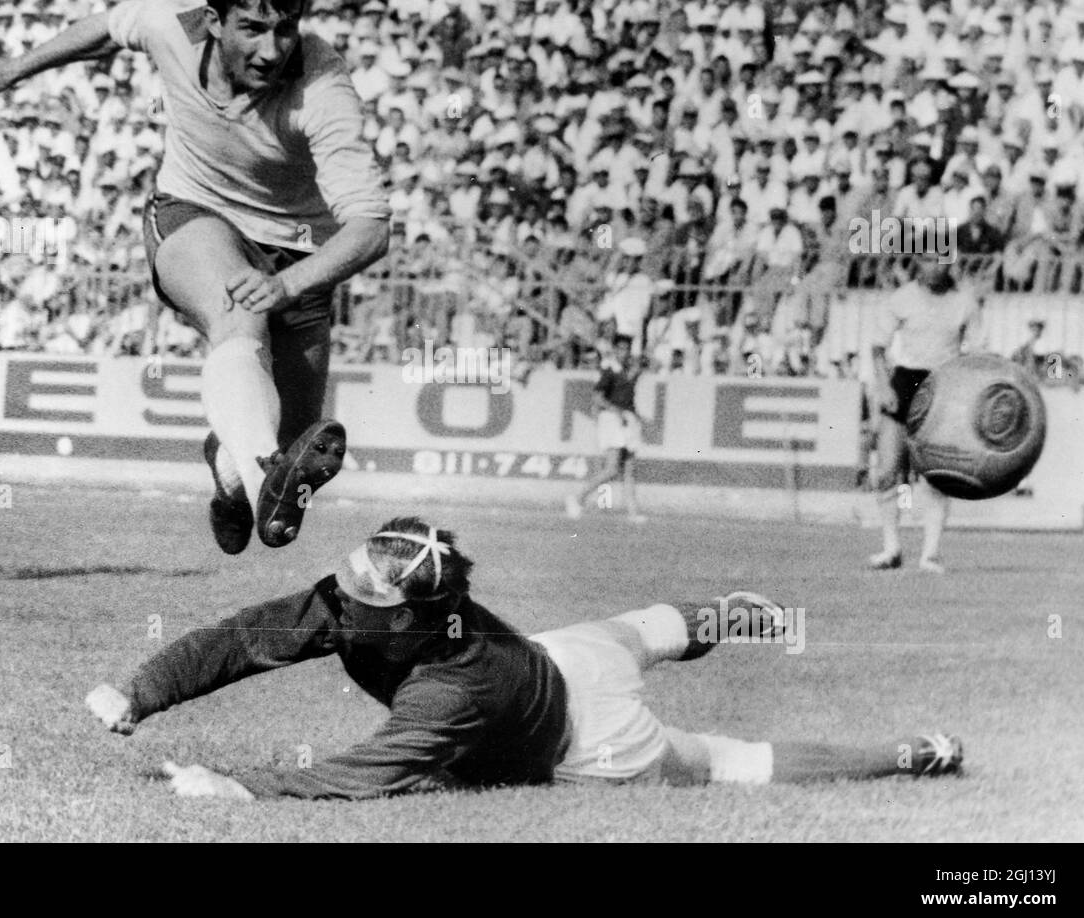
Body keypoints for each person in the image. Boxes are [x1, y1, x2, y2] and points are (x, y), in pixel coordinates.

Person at [0, 0, 392, 556]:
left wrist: (290, 282)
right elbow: (107, 28)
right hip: (195, 212)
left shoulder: (323, 88)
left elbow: (372, 227)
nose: (271, 50)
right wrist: (14, 67)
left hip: (297, 250)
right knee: (238, 316)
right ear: (212, 21)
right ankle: (258, 465)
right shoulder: (173, 22)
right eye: (251, 28)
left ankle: (233, 474)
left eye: (287, 28)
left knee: (288, 444)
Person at [85, 517, 964, 801]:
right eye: (351, 572)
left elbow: (364, 776)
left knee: (729, 761)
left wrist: (238, 784)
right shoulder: (365, 599)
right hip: (562, 652)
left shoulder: (450, 692)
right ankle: (732, 618)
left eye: (361, 590)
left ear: (412, 613)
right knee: (644, 627)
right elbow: (242, 639)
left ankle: (907, 752)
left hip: (593, 734)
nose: (338, 592)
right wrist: (142, 692)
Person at [868, 258, 982, 574]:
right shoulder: (902, 298)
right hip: (904, 382)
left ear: (951, 263)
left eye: (941, 260)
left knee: (935, 475)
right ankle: (891, 548)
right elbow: (878, 347)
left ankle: (930, 554)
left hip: (943, 385)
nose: (934, 267)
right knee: (889, 470)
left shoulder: (964, 302)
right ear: (919, 261)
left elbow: (977, 349)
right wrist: (883, 387)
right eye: (929, 259)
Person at [566, 334, 647, 523]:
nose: (623, 353)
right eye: (620, 349)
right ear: (614, 350)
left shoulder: (628, 371)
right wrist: (615, 411)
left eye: (626, 349)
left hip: (627, 420)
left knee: (629, 469)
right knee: (611, 469)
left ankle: (633, 513)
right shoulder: (609, 371)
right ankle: (578, 498)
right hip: (612, 420)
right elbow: (598, 398)